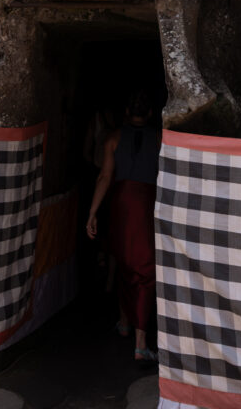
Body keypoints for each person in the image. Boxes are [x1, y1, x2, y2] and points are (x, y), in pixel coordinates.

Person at [86, 90, 159, 362]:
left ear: (127, 113)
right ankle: (140, 343)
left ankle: (124, 322)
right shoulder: (161, 139)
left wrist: (92, 212)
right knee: (145, 270)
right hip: (147, 205)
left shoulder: (113, 138)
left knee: (125, 264)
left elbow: (104, 177)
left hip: (120, 204)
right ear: (150, 114)